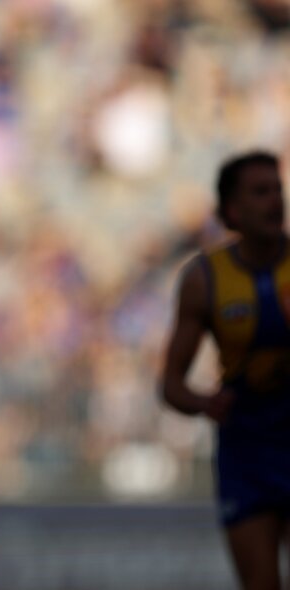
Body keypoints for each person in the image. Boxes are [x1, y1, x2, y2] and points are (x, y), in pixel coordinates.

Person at [160, 150, 290, 590]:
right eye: (261, 192)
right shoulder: (204, 279)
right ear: (232, 211)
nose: (276, 201)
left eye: (278, 189)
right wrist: (205, 403)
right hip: (247, 449)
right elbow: (171, 385)